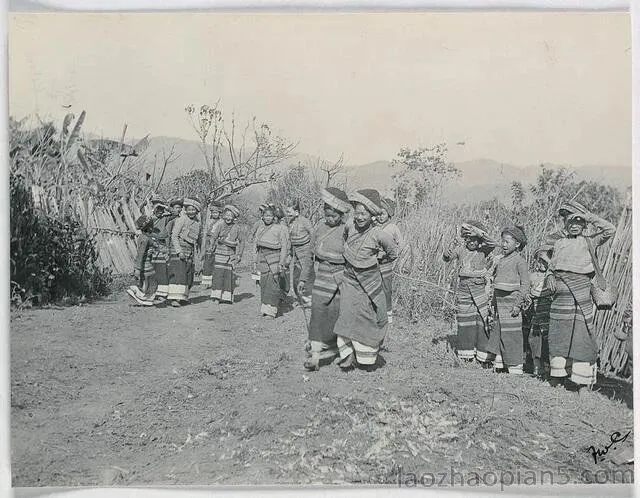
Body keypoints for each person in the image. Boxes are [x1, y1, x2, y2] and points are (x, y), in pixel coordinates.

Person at [547, 206, 616, 391]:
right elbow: (552, 266)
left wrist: (588, 216)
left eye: (579, 221)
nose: (574, 225)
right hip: (560, 297)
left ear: (585, 224)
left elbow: (610, 229)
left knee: (581, 334)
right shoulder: (559, 243)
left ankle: (582, 382)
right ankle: (558, 377)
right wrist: (550, 276)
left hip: (581, 294)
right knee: (559, 334)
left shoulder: (590, 241)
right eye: (570, 221)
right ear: (565, 223)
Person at [333, 189, 398, 371]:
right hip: (349, 279)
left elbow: (393, 253)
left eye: (364, 214)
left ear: (372, 215)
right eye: (357, 213)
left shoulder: (380, 234)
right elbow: (344, 240)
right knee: (346, 314)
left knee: (366, 316)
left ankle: (366, 358)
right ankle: (347, 356)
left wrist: (378, 259)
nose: (360, 217)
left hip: (369, 282)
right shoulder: (349, 226)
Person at [303, 187, 351, 371]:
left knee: (335, 314)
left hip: (340, 279)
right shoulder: (319, 228)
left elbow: (352, 256)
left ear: (341, 215)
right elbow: (309, 254)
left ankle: (334, 349)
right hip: (321, 277)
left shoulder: (347, 230)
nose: (330, 219)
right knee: (317, 313)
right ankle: (315, 355)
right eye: (327, 215)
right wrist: (303, 278)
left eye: (334, 216)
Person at [443, 220, 496, 365]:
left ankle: (483, 355)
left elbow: (493, 243)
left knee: (482, 319)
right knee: (465, 319)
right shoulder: (460, 250)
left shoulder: (484, 250)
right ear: (465, 239)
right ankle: (466, 354)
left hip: (479, 288)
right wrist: (446, 254)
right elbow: (447, 258)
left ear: (479, 240)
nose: (472, 242)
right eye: (469, 239)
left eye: (475, 239)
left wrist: (478, 232)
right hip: (464, 288)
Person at [487, 225, 530, 374]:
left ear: (517, 244)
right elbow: (497, 283)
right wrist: (493, 302)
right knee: (500, 332)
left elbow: (525, 285)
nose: (503, 245)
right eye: (502, 241)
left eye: (507, 242)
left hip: (512, 303)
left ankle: (514, 365)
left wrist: (518, 304)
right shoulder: (500, 260)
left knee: (512, 334)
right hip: (500, 303)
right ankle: (500, 363)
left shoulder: (520, 261)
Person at [254, 205, 290, 318]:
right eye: (266, 216)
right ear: (262, 217)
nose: (268, 218)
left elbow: (284, 246)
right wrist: (254, 261)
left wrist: (282, 262)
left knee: (273, 284)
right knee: (264, 284)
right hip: (262, 259)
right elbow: (255, 246)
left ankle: (272, 311)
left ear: (274, 217)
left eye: (270, 216)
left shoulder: (280, 228)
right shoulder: (260, 229)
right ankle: (265, 309)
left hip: (275, 259)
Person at [524, 248, 554, 378]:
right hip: (536, 313)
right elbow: (526, 291)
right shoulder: (532, 276)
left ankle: (549, 367)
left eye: (545, 261)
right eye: (540, 261)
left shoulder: (553, 277)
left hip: (550, 314)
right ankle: (537, 366)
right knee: (534, 338)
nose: (542, 264)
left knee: (548, 339)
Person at [167, 198, 202, 307]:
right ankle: (174, 299)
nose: (191, 212)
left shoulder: (197, 223)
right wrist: (179, 251)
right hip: (179, 250)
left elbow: (197, 240)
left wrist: (199, 255)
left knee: (188, 275)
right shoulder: (181, 220)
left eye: (193, 210)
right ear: (185, 210)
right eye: (189, 209)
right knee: (178, 274)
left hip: (189, 251)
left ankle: (183, 297)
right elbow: (174, 236)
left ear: (197, 211)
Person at [209, 204, 244, 304]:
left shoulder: (237, 228)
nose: (228, 217)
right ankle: (216, 296)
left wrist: (239, 255)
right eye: (227, 215)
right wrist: (211, 245)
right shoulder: (220, 225)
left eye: (231, 216)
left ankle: (226, 296)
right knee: (218, 274)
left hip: (231, 255)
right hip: (219, 253)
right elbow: (213, 237)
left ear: (234, 217)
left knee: (228, 275)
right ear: (224, 215)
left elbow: (242, 241)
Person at [376, 197, 404, 325]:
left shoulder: (392, 228)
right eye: (378, 214)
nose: (380, 217)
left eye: (383, 214)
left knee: (386, 289)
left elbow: (400, 244)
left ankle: (388, 314)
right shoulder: (373, 226)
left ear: (389, 214)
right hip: (372, 262)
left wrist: (392, 255)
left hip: (386, 262)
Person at [285, 200, 315, 307]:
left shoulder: (305, 221)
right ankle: (300, 299)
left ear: (296, 212)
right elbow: (290, 239)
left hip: (306, 252)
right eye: (287, 212)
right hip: (295, 253)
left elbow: (313, 234)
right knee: (296, 278)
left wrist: (312, 250)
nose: (287, 214)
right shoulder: (290, 222)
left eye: (289, 212)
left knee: (307, 277)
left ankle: (309, 300)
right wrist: (289, 254)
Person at [127, 214, 158, 306]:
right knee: (148, 281)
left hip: (146, 263)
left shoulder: (144, 237)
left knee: (147, 281)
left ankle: (144, 298)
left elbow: (154, 245)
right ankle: (144, 298)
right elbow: (140, 254)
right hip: (145, 264)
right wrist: (137, 268)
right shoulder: (144, 238)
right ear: (149, 228)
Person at [202, 203, 223, 288]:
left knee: (217, 261)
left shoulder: (222, 222)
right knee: (208, 261)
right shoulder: (209, 221)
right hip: (208, 242)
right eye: (213, 213)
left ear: (219, 213)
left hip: (218, 242)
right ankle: (206, 282)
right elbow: (205, 233)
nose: (215, 214)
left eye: (216, 213)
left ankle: (216, 280)